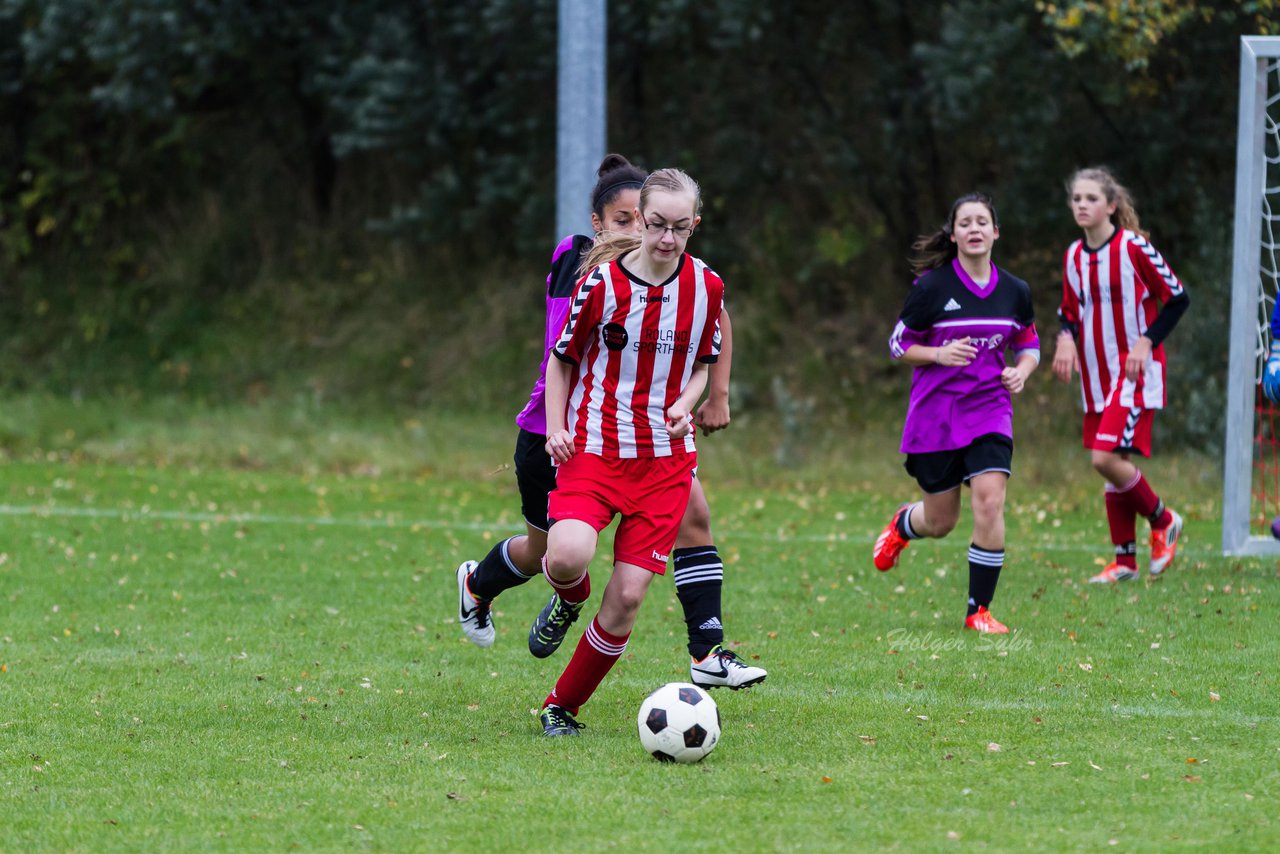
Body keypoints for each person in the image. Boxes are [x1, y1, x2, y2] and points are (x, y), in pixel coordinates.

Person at [455, 156, 764, 693]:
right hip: (559, 430)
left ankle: (707, 650)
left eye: (675, 225)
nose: (651, 234)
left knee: (694, 517)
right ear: (601, 224)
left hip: (643, 438)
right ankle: (488, 587)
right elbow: (564, 355)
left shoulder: (686, 277)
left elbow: (715, 320)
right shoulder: (582, 268)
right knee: (547, 553)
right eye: (626, 221)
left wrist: (712, 394)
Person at [532, 167, 727, 736]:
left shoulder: (707, 287)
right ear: (640, 219)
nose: (667, 240)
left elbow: (703, 364)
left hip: (665, 464)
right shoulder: (602, 285)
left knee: (628, 598)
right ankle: (569, 599)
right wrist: (554, 428)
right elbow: (562, 359)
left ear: (694, 225)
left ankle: (560, 707)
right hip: (593, 450)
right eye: (658, 226)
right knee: (567, 557)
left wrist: (686, 404)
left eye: (680, 229)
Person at [872, 193, 1040, 634]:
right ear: (954, 234)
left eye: (982, 221)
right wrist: (939, 354)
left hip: (990, 410)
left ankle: (977, 610)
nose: (975, 229)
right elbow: (898, 344)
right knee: (941, 521)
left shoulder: (1014, 291)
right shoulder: (932, 288)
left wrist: (1021, 371)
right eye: (965, 223)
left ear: (995, 232)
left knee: (990, 501)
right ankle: (904, 524)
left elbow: (1028, 344)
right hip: (936, 416)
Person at [1051, 167, 1189, 584]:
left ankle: (1163, 520)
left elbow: (1178, 298)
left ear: (1111, 205)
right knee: (1117, 462)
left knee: (1104, 459)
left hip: (1133, 375)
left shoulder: (1134, 248)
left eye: (1091, 198)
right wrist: (1064, 338)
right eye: (1077, 199)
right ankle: (1125, 561)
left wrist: (1146, 341)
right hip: (1097, 378)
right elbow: (1070, 313)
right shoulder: (1074, 256)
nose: (1082, 205)